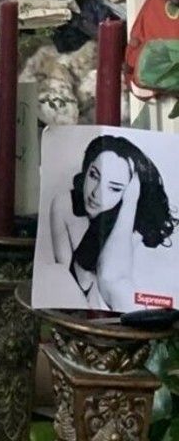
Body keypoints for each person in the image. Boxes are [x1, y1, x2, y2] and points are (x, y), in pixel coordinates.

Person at [49, 134, 176, 312]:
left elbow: (110, 277)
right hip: (80, 314)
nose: (96, 193)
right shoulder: (64, 204)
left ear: (129, 192)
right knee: (53, 273)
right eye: (94, 176)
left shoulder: (134, 221)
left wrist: (130, 202)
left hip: (139, 310)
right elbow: (66, 281)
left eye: (114, 188)